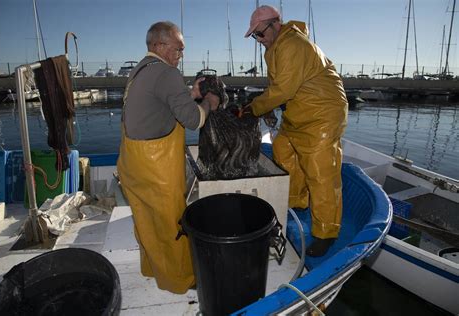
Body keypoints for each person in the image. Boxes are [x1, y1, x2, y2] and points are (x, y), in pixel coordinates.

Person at [117, 21, 219, 294]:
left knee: (146, 221)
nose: (181, 55)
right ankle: (181, 280)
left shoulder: (141, 69)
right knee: (172, 223)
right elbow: (193, 119)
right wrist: (208, 102)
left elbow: (159, 101)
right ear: (160, 45)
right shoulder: (168, 73)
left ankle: (152, 269)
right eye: (178, 48)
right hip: (156, 166)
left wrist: (191, 93)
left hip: (131, 162)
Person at [244, 6, 348, 257]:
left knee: (321, 172)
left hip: (321, 115)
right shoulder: (275, 48)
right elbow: (279, 87)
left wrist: (253, 108)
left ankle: (326, 233)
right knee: (282, 148)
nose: (259, 41)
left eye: (259, 34)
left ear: (274, 24)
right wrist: (268, 108)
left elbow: (282, 91)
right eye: (255, 37)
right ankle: (297, 201)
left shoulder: (292, 45)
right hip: (299, 113)